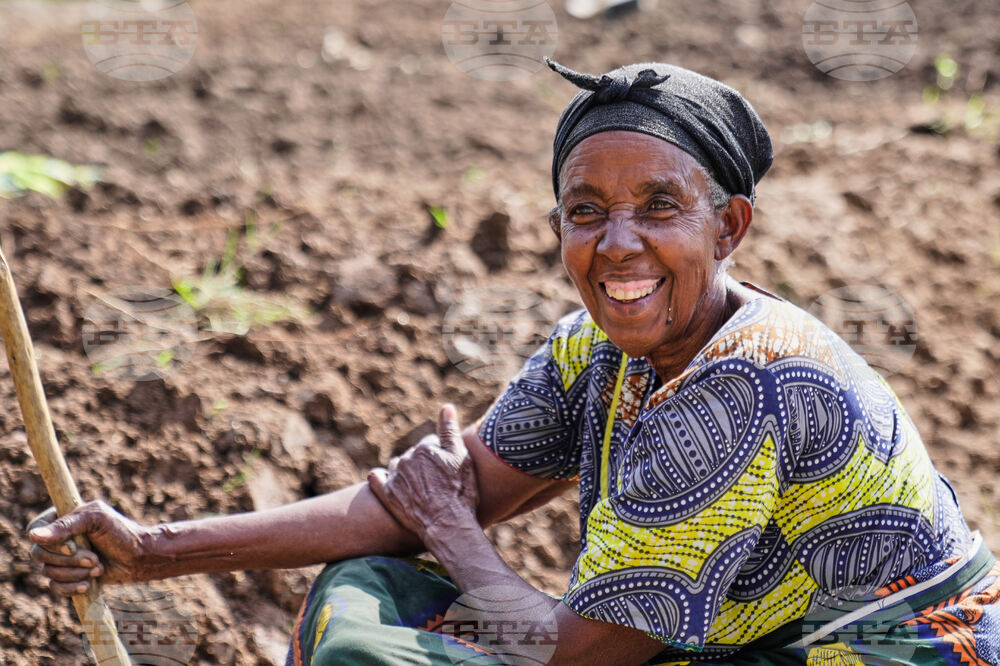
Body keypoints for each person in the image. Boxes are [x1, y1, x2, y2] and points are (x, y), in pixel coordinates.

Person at [27, 59, 1000, 665]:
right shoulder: (600, 349)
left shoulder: (747, 383)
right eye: (587, 211)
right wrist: (154, 549)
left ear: (729, 224)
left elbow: (576, 653)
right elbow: (414, 505)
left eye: (658, 206)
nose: (617, 244)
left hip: (885, 654)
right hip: (733, 643)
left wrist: (452, 530)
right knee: (371, 600)